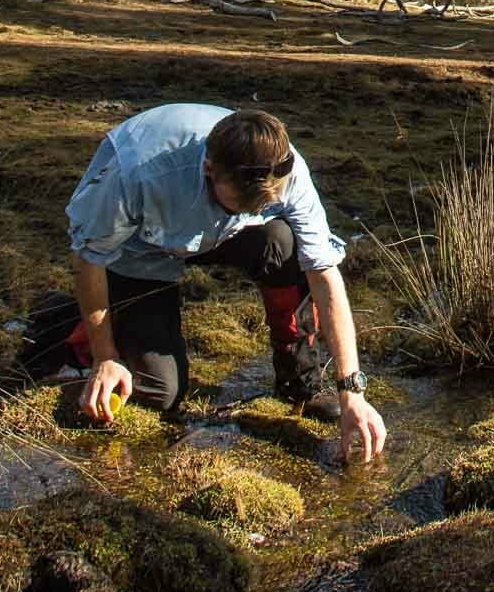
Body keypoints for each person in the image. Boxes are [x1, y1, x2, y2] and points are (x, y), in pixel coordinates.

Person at [65, 102, 386, 464]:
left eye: (260, 205)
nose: (250, 211)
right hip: (141, 246)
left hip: (223, 235)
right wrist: (106, 356)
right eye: (239, 204)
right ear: (208, 169)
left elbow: (324, 274)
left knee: (282, 242)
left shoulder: (287, 170)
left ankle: (299, 382)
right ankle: (74, 328)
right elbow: (88, 257)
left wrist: (352, 390)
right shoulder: (137, 172)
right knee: (160, 393)